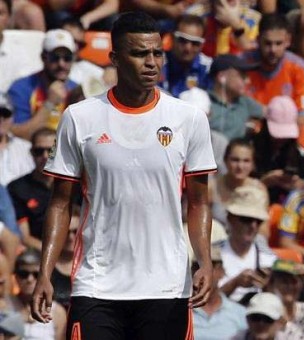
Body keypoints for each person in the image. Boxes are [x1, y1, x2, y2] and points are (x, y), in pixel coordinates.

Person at [30, 12, 218, 339]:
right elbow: (60, 203)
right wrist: (45, 274)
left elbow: (199, 202)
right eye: (139, 53)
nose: (151, 62)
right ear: (115, 58)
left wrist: (204, 261)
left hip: (167, 286)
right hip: (97, 284)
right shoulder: (80, 118)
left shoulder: (188, 119)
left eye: (157, 53)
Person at [8, 29, 79, 140]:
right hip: (32, 153)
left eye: (67, 58)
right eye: (55, 58)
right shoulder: (21, 88)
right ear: (43, 57)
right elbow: (18, 135)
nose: (61, 64)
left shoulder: (77, 90)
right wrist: (49, 104)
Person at [244, 13, 304, 121]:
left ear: (288, 41)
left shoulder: (298, 67)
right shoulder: (243, 64)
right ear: (258, 40)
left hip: (286, 130)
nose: (273, 50)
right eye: (268, 43)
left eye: (278, 43)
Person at [219, 185, 277, 304]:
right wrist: (235, 283)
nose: (253, 226)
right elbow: (202, 304)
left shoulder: (269, 258)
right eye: (246, 219)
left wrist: (268, 287)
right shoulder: (210, 255)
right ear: (230, 218)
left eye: (258, 221)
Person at [252, 96, 304, 205]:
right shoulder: (250, 148)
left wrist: (299, 186)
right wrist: (264, 182)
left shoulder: (299, 154)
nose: (281, 139)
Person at [8, 128, 57, 250]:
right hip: (37, 253)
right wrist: (53, 255)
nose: (45, 156)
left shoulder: (74, 185)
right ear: (31, 153)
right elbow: (25, 237)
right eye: (38, 151)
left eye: (51, 150)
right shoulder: (17, 188)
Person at [192, 243, 248, 340]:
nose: (201, 272)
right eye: (196, 266)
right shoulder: (179, 313)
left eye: (209, 267)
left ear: (221, 271)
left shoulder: (240, 314)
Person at [11, 249, 66, 340]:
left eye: (36, 274)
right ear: (16, 276)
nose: (29, 279)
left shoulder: (57, 312)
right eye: (24, 274)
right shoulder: (4, 305)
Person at [207, 54, 264, 140]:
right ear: (222, 77)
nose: (248, 81)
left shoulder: (245, 102)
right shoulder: (203, 101)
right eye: (242, 75)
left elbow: (270, 113)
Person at [160, 14, 212, 98]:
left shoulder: (208, 68)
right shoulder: (157, 62)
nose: (188, 48)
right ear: (172, 37)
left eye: (195, 43)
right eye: (182, 40)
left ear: (202, 44)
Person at [231, 292, 304, 340]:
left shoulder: (293, 336)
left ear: (280, 322)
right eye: (256, 317)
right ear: (247, 320)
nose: (261, 323)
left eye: (268, 319)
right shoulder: (238, 337)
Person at [0, 106, 34, 186]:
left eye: (5, 114)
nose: (1, 119)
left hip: (20, 196)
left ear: (12, 119)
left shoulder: (26, 148)